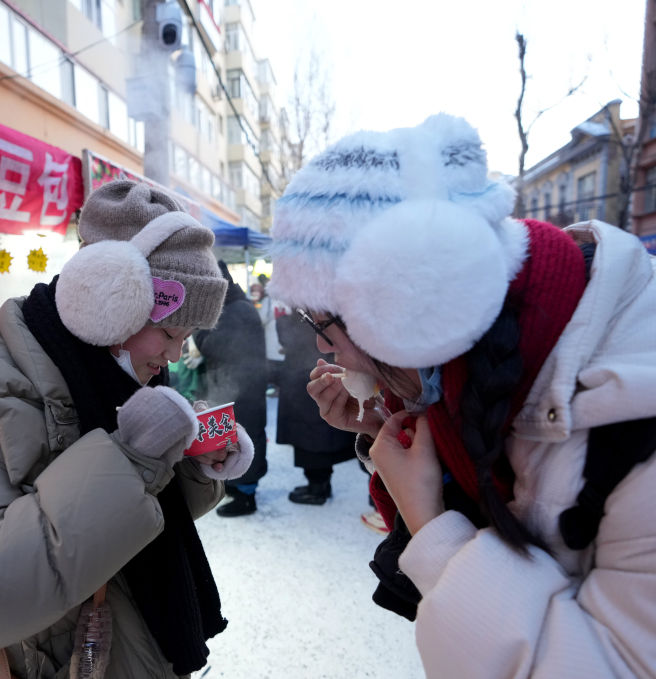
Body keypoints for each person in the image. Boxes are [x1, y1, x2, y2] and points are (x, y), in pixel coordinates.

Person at [269, 114, 656, 678]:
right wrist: (387, 435)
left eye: (321, 323)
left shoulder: (634, 420)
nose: (328, 354)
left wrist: (433, 526)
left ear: (402, 306)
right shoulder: (481, 381)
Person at [0, 181, 254, 678]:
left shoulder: (121, 379)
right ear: (109, 301)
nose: (175, 355)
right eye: (170, 332)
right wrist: (130, 457)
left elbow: (138, 520)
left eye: (188, 338)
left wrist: (194, 465)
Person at [193, 261, 268, 517]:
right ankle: (238, 486)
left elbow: (213, 346)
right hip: (241, 388)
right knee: (237, 438)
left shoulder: (235, 311)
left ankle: (247, 495)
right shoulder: (237, 306)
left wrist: (198, 332)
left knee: (245, 439)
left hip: (242, 390)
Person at [274, 309, 356, 505]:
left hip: (307, 377)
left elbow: (290, 339)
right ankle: (320, 484)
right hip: (314, 374)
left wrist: (282, 320)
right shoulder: (321, 307)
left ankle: (317, 488)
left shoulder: (305, 311)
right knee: (318, 434)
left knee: (311, 438)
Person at [249, 280, 283, 396]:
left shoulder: (267, 301)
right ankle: (278, 389)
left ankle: (275, 388)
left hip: (272, 339)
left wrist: (255, 306)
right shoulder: (284, 299)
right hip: (281, 338)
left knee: (273, 365)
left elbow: (261, 319)